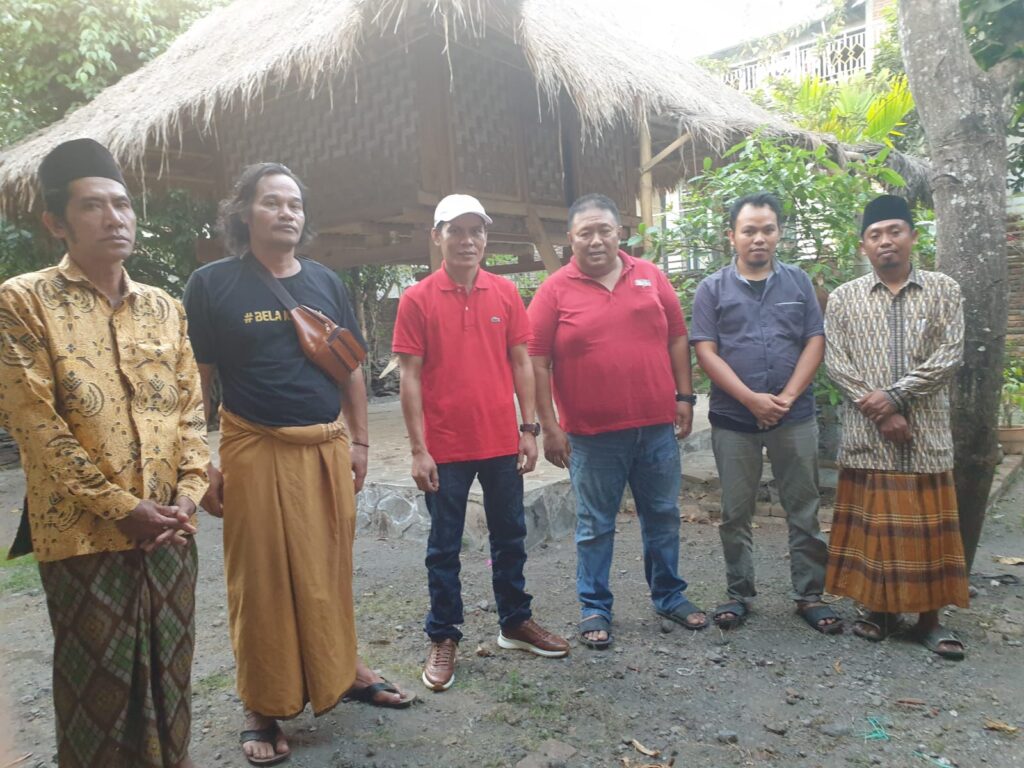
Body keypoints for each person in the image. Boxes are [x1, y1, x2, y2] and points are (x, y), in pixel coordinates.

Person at [182, 163, 412, 766]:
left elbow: (351, 367)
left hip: (326, 448)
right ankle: (263, 700)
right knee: (258, 578)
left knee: (329, 565)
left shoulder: (327, 283)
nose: (286, 212)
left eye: (295, 204)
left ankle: (347, 670)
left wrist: (360, 443)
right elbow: (195, 383)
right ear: (244, 214)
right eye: (272, 202)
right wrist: (197, 463)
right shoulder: (212, 285)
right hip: (253, 449)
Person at [0, 138, 208, 767]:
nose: (115, 217)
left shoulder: (164, 308)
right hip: (85, 538)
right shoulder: (22, 301)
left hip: (170, 533)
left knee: (170, 681)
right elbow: (36, 426)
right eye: (93, 206)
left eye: (122, 204)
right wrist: (122, 508)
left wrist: (187, 497)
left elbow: (191, 412)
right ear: (57, 223)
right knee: (99, 691)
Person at [393, 193, 569, 693]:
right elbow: (411, 378)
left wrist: (529, 429)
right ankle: (444, 635)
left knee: (510, 534)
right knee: (443, 546)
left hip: (499, 441)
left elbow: (521, 363)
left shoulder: (506, 294)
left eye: (476, 231)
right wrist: (417, 447)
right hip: (444, 446)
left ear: (486, 238)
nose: (467, 240)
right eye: (456, 230)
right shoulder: (417, 299)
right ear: (437, 236)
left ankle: (515, 622)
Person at [528, 193, 706, 649]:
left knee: (663, 515)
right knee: (594, 525)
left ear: (619, 232)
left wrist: (685, 397)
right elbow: (537, 361)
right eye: (584, 232)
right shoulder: (553, 291)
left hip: (655, 428)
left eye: (603, 230)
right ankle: (594, 606)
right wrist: (549, 425)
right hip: (591, 437)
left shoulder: (649, 275)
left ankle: (668, 595)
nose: (595, 240)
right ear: (570, 239)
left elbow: (677, 338)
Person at [824, 194, 969, 659]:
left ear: (912, 236)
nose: (885, 242)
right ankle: (879, 613)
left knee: (928, 532)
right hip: (870, 436)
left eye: (894, 231)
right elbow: (836, 362)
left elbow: (950, 354)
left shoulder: (944, 290)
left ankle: (929, 621)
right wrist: (883, 411)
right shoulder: (845, 298)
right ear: (862, 245)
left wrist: (898, 394)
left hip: (924, 435)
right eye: (875, 235)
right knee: (876, 530)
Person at [690, 192, 840, 634]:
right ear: (731, 236)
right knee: (736, 511)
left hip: (794, 417)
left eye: (767, 229)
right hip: (734, 420)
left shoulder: (798, 283)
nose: (759, 238)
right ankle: (739, 594)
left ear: (779, 233)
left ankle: (809, 595)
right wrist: (751, 399)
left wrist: (788, 397)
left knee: (804, 508)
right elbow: (706, 351)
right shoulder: (712, 289)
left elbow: (815, 338)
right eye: (749, 230)